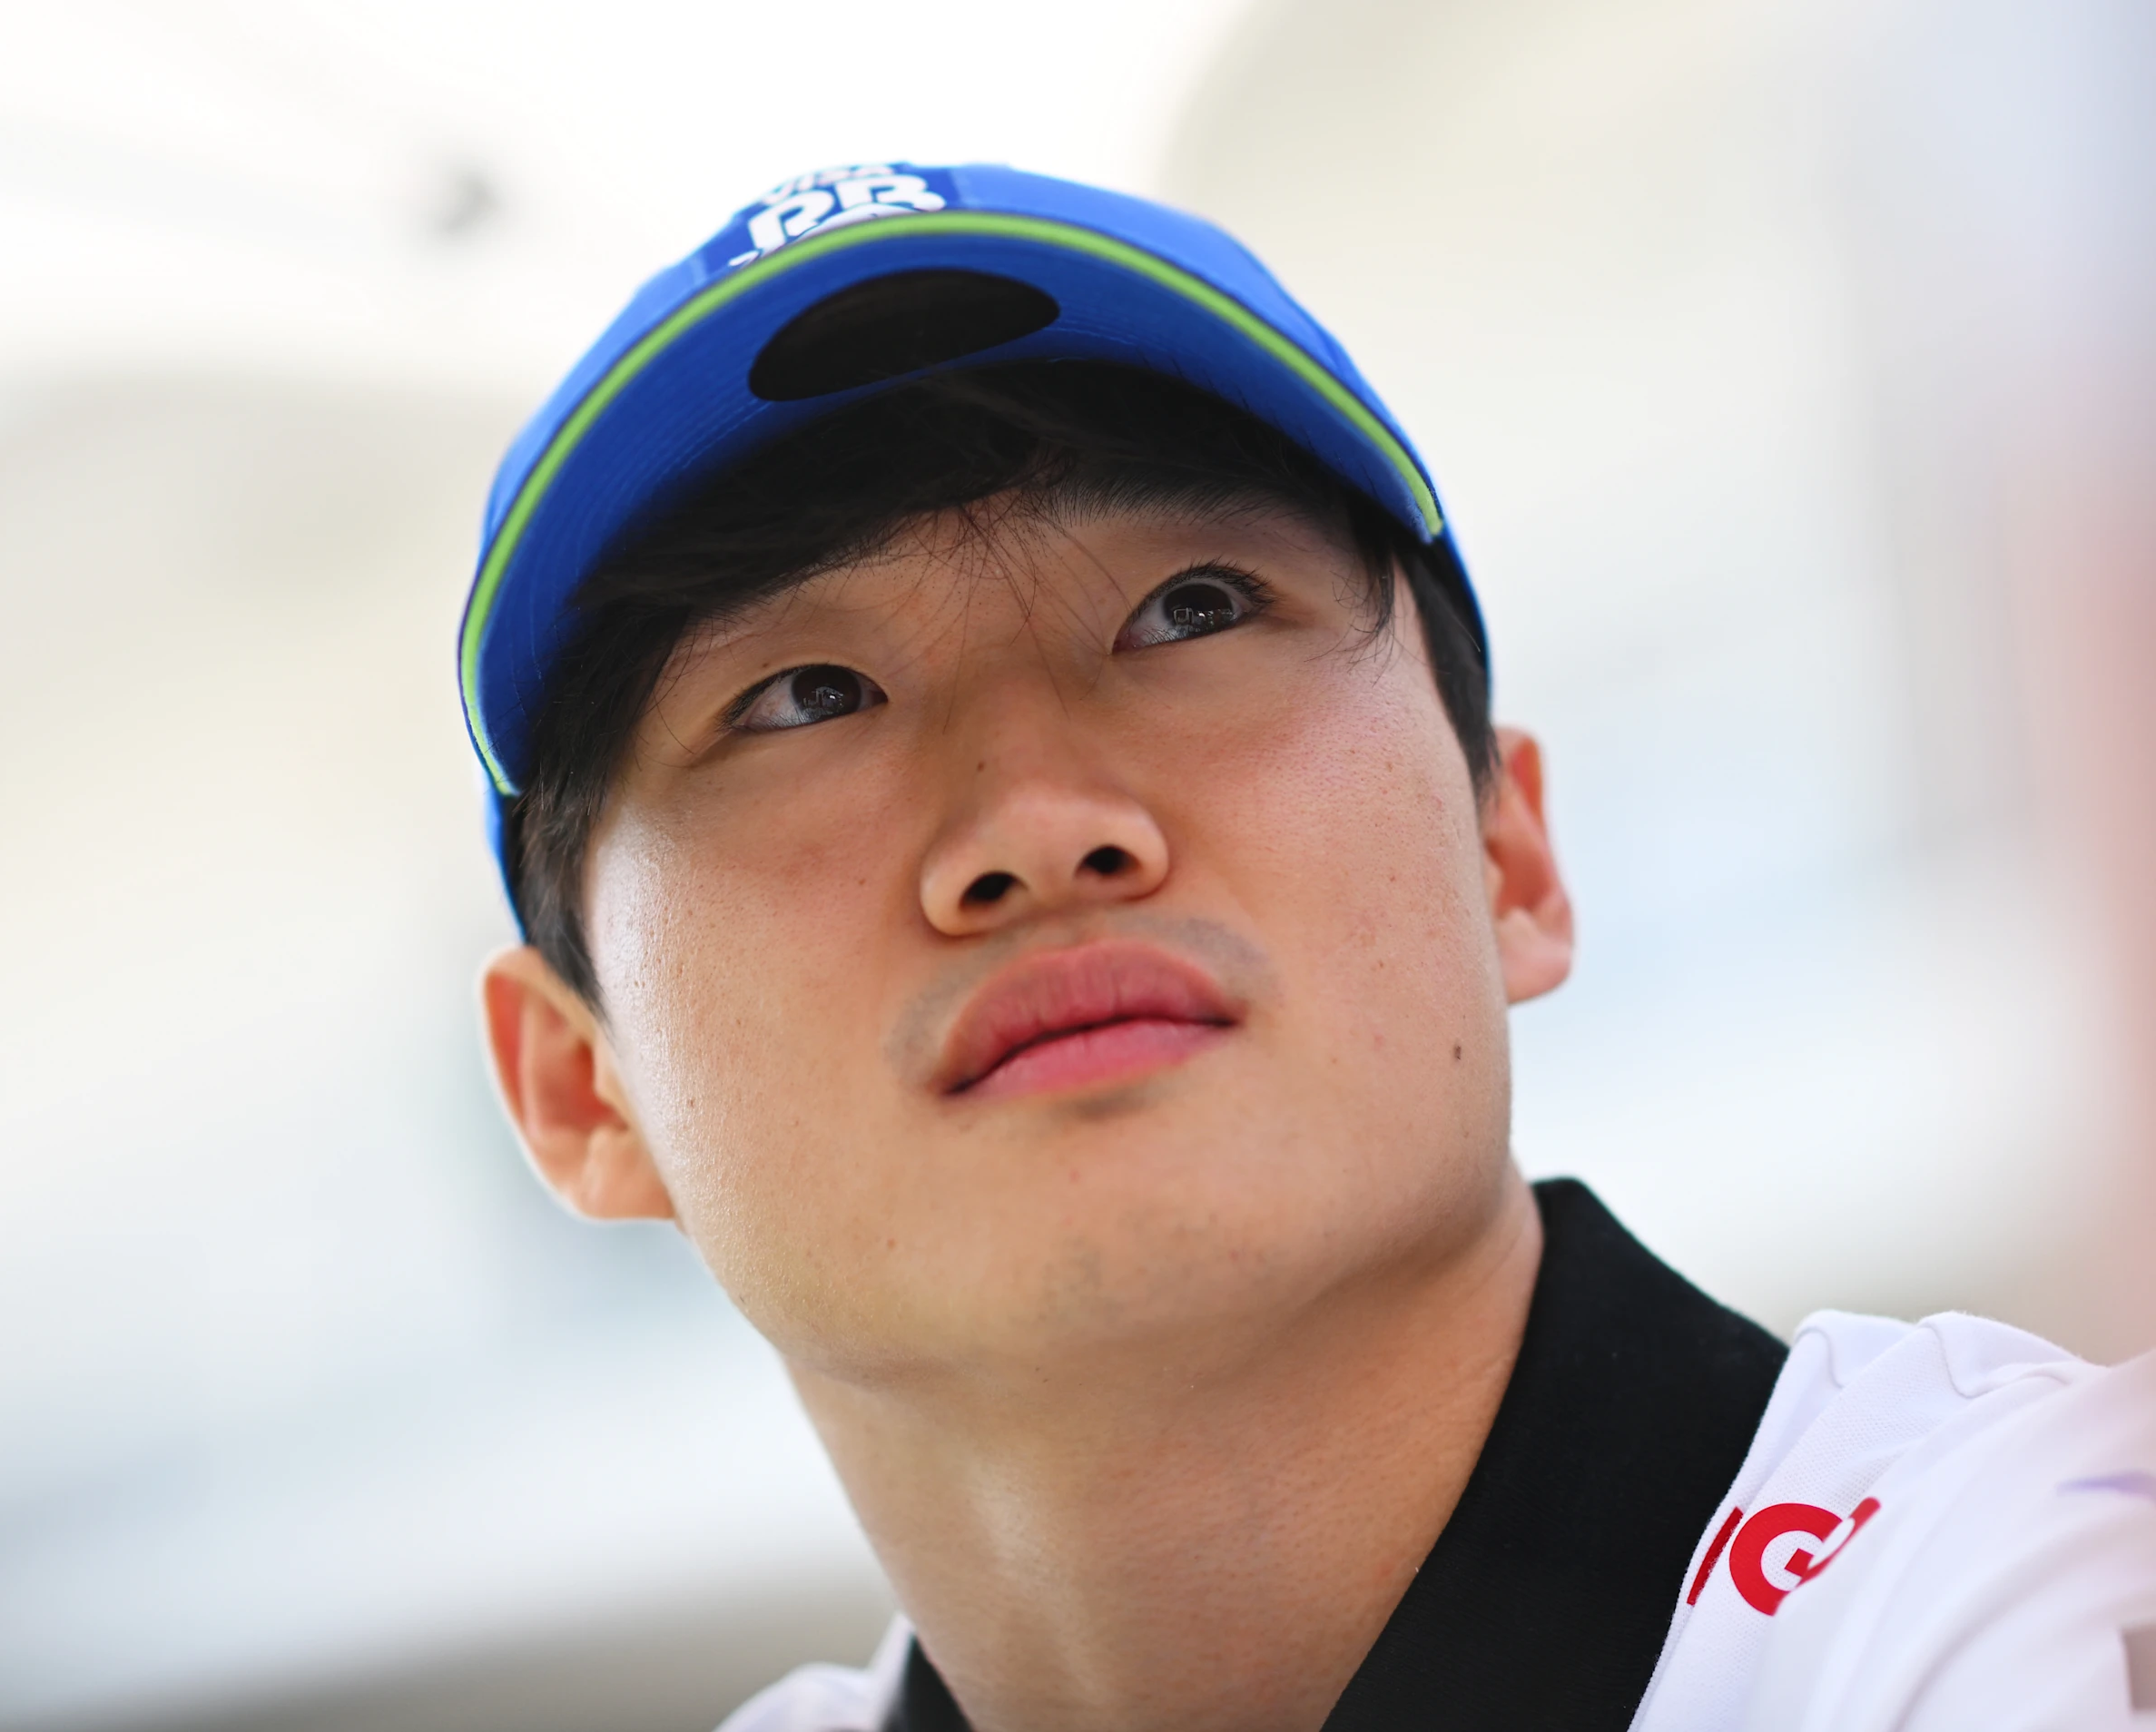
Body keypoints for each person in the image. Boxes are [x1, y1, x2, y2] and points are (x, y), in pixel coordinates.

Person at [461, 163, 2156, 1731]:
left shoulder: (2048, 1588)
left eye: (1193, 606)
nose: (1039, 823)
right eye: (802, 699)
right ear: (579, 1090)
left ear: (1509, 852)